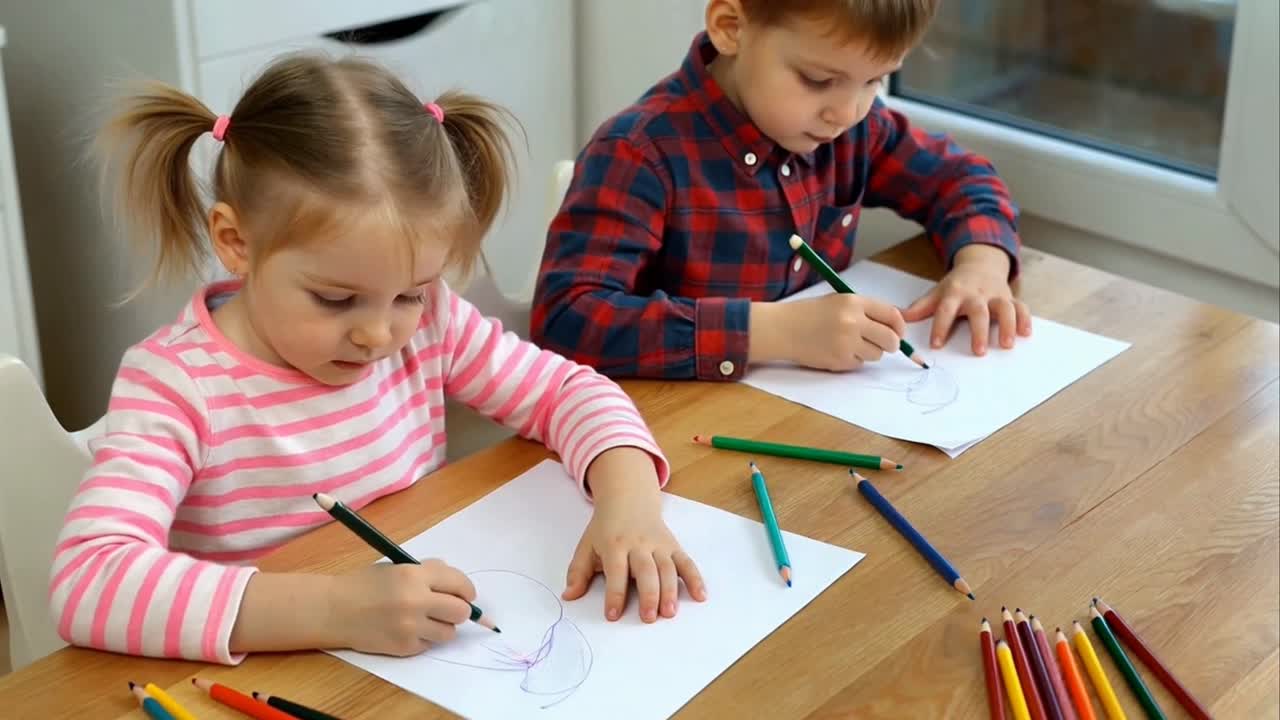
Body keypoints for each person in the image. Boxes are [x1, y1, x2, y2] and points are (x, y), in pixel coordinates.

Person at [50, 53, 704, 665]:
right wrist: (335, 608)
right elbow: (89, 580)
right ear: (235, 241)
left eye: (409, 294)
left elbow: (567, 392)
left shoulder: (432, 323)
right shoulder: (176, 385)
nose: (379, 335)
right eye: (336, 299)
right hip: (278, 676)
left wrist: (629, 501)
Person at [532, 0, 1032, 381]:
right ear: (731, 28)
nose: (847, 112)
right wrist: (775, 333)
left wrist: (982, 265)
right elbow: (566, 319)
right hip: (668, 436)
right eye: (818, 80)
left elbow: (962, 179)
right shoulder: (640, 154)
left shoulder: (854, 129)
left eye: (875, 81)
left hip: (801, 417)